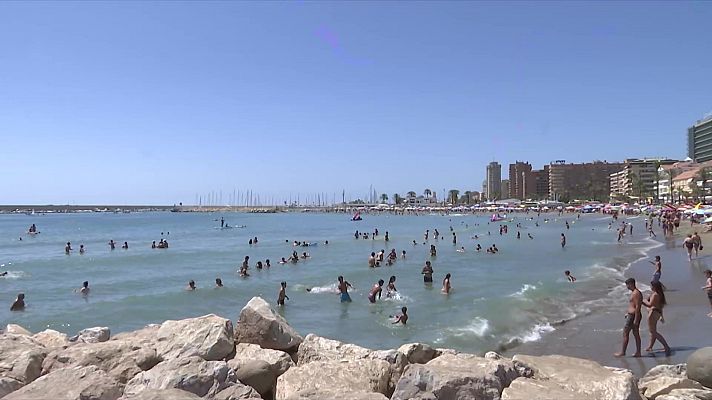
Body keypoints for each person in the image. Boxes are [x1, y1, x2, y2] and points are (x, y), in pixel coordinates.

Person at [614, 278, 642, 357]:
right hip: (632, 315)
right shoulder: (634, 292)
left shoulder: (636, 293)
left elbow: (638, 307)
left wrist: (636, 319)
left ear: (631, 284)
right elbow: (633, 305)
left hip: (633, 316)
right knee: (635, 333)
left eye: (627, 285)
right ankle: (638, 352)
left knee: (626, 333)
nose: (627, 286)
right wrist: (628, 313)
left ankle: (623, 352)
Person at [643, 280, 671, 355]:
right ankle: (650, 346)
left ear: (654, 287)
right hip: (657, 312)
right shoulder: (660, 294)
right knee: (653, 331)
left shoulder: (655, 294)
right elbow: (660, 306)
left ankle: (666, 346)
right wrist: (662, 316)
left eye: (651, 286)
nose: (650, 287)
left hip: (653, 313)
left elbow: (649, 304)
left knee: (653, 332)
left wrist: (643, 301)